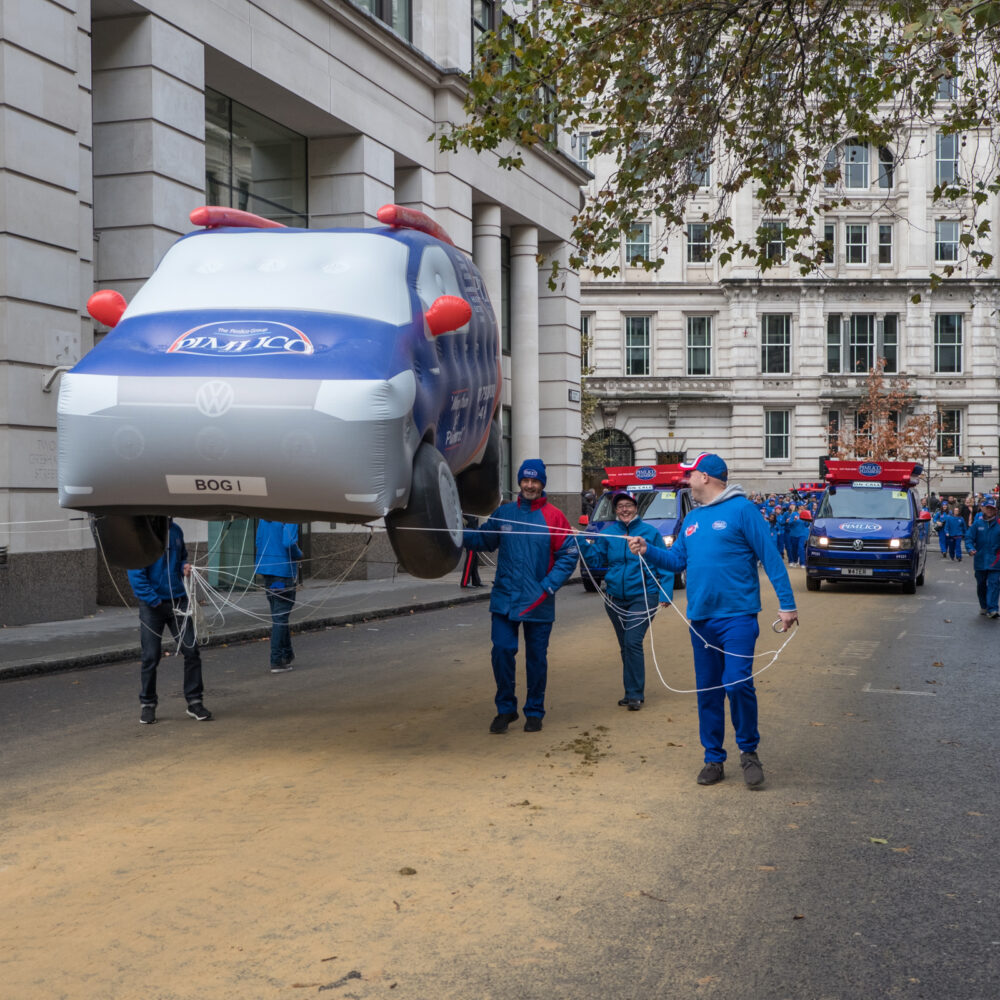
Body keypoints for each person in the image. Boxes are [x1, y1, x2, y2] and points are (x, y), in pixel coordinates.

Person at [627, 453, 797, 788]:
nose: (685, 481)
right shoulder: (692, 520)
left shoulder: (742, 510)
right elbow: (676, 562)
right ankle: (713, 759)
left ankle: (748, 752)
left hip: (737, 617)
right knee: (708, 691)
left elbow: (770, 556)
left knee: (737, 683)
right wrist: (647, 549)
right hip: (701, 620)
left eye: (690, 475)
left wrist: (787, 604)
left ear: (705, 477)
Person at [463, 459, 578, 733]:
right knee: (502, 652)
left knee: (536, 659)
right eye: (525, 480)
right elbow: (483, 540)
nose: (529, 485)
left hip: (538, 600)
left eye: (534, 480)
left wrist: (548, 586)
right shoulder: (503, 514)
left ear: (542, 483)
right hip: (504, 598)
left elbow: (568, 555)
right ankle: (506, 709)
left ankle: (535, 710)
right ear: (519, 482)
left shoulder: (555, 517)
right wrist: (455, 532)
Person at [581, 491, 674, 709]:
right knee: (625, 645)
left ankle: (635, 694)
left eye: (628, 505)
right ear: (615, 510)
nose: (624, 509)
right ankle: (630, 690)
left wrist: (665, 593)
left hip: (643, 596)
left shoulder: (650, 533)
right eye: (620, 506)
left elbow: (665, 563)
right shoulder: (609, 533)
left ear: (636, 508)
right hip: (614, 599)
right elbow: (595, 559)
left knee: (633, 641)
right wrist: (581, 542)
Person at [127, 520, 211, 724]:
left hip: (179, 601)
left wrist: (184, 567)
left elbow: (181, 557)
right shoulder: (142, 533)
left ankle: (194, 701)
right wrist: (153, 600)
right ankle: (147, 704)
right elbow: (136, 573)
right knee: (150, 656)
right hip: (152, 606)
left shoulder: (175, 530)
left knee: (191, 650)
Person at [255, 519, 302, 672]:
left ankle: (287, 655)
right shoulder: (289, 515)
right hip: (283, 573)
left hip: (268, 572)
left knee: (279, 616)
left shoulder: (263, 518)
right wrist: (299, 554)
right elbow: (288, 542)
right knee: (280, 617)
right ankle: (276, 660)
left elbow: (258, 541)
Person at [965, 495, 1000, 618]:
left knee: (994, 584)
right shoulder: (977, 524)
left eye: (992, 509)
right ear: (983, 509)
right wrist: (970, 548)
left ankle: (993, 609)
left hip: (995, 562)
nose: (990, 511)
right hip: (980, 561)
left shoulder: (999, 524)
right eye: (988, 508)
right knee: (981, 585)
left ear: (996, 510)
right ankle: (984, 606)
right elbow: (969, 538)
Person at [459, 514, 483, 588]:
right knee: (469, 561)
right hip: (470, 538)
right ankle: (465, 582)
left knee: (475, 561)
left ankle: (476, 581)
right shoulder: (468, 512)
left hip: (474, 537)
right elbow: (470, 524)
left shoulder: (474, 512)